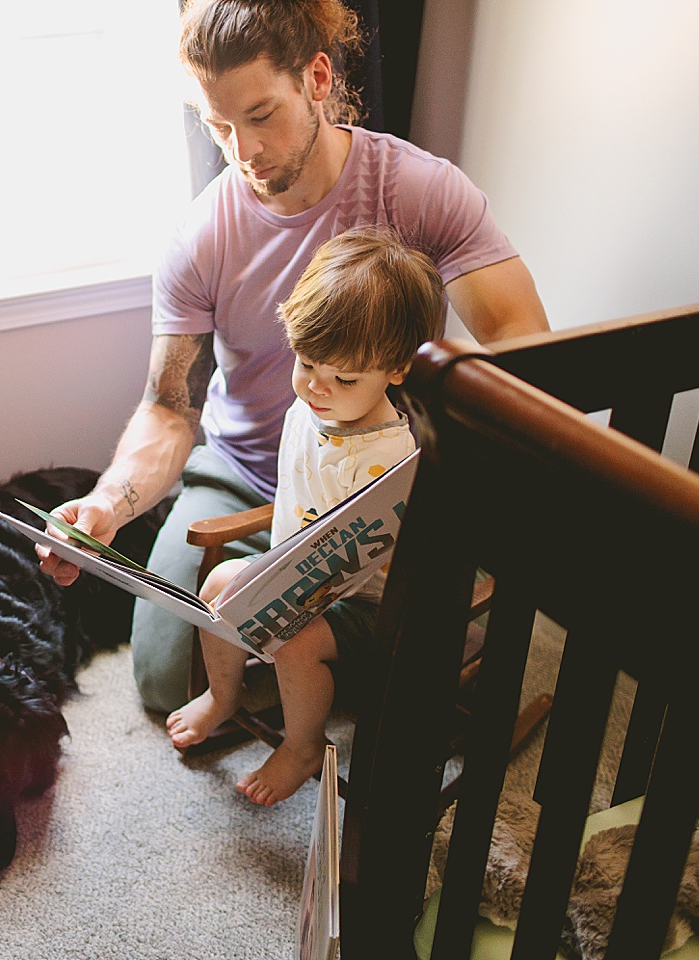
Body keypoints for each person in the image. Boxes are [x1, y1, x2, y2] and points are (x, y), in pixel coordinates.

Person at [37, 0, 550, 713]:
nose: (242, 152)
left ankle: (323, 653)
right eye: (217, 126)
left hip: (377, 475)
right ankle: (317, 652)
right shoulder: (200, 236)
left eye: (259, 115)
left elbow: (522, 345)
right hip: (247, 468)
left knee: (433, 670)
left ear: (316, 78)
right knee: (160, 680)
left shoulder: (418, 190)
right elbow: (169, 408)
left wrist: (466, 476)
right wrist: (107, 503)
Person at [166, 224, 444, 804]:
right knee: (216, 585)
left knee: (296, 643)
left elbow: (403, 548)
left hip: (370, 602)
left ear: (396, 371)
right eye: (306, 362)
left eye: (344, 378)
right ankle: (223, 694)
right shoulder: (309, 408)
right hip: (294, 572)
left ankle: (302, 742)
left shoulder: (394, 455)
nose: (317, 387)